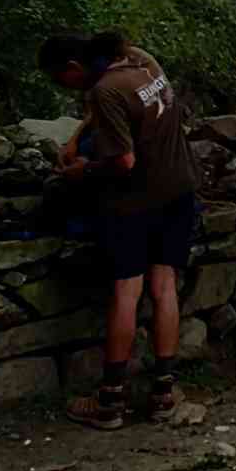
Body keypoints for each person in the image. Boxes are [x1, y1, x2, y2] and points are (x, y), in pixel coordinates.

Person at [38, 30, 199, 430]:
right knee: (165, 287)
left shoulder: (105, 90)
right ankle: (164, 393)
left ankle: (110, 400)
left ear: (74, 68)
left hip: (133, 202)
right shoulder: (141, 60)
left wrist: (82, 169)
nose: (68, 88)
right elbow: (134, 110)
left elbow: (123, 161)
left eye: (63, 80)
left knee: (127, 291)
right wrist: (78, 136)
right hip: (179, 189)